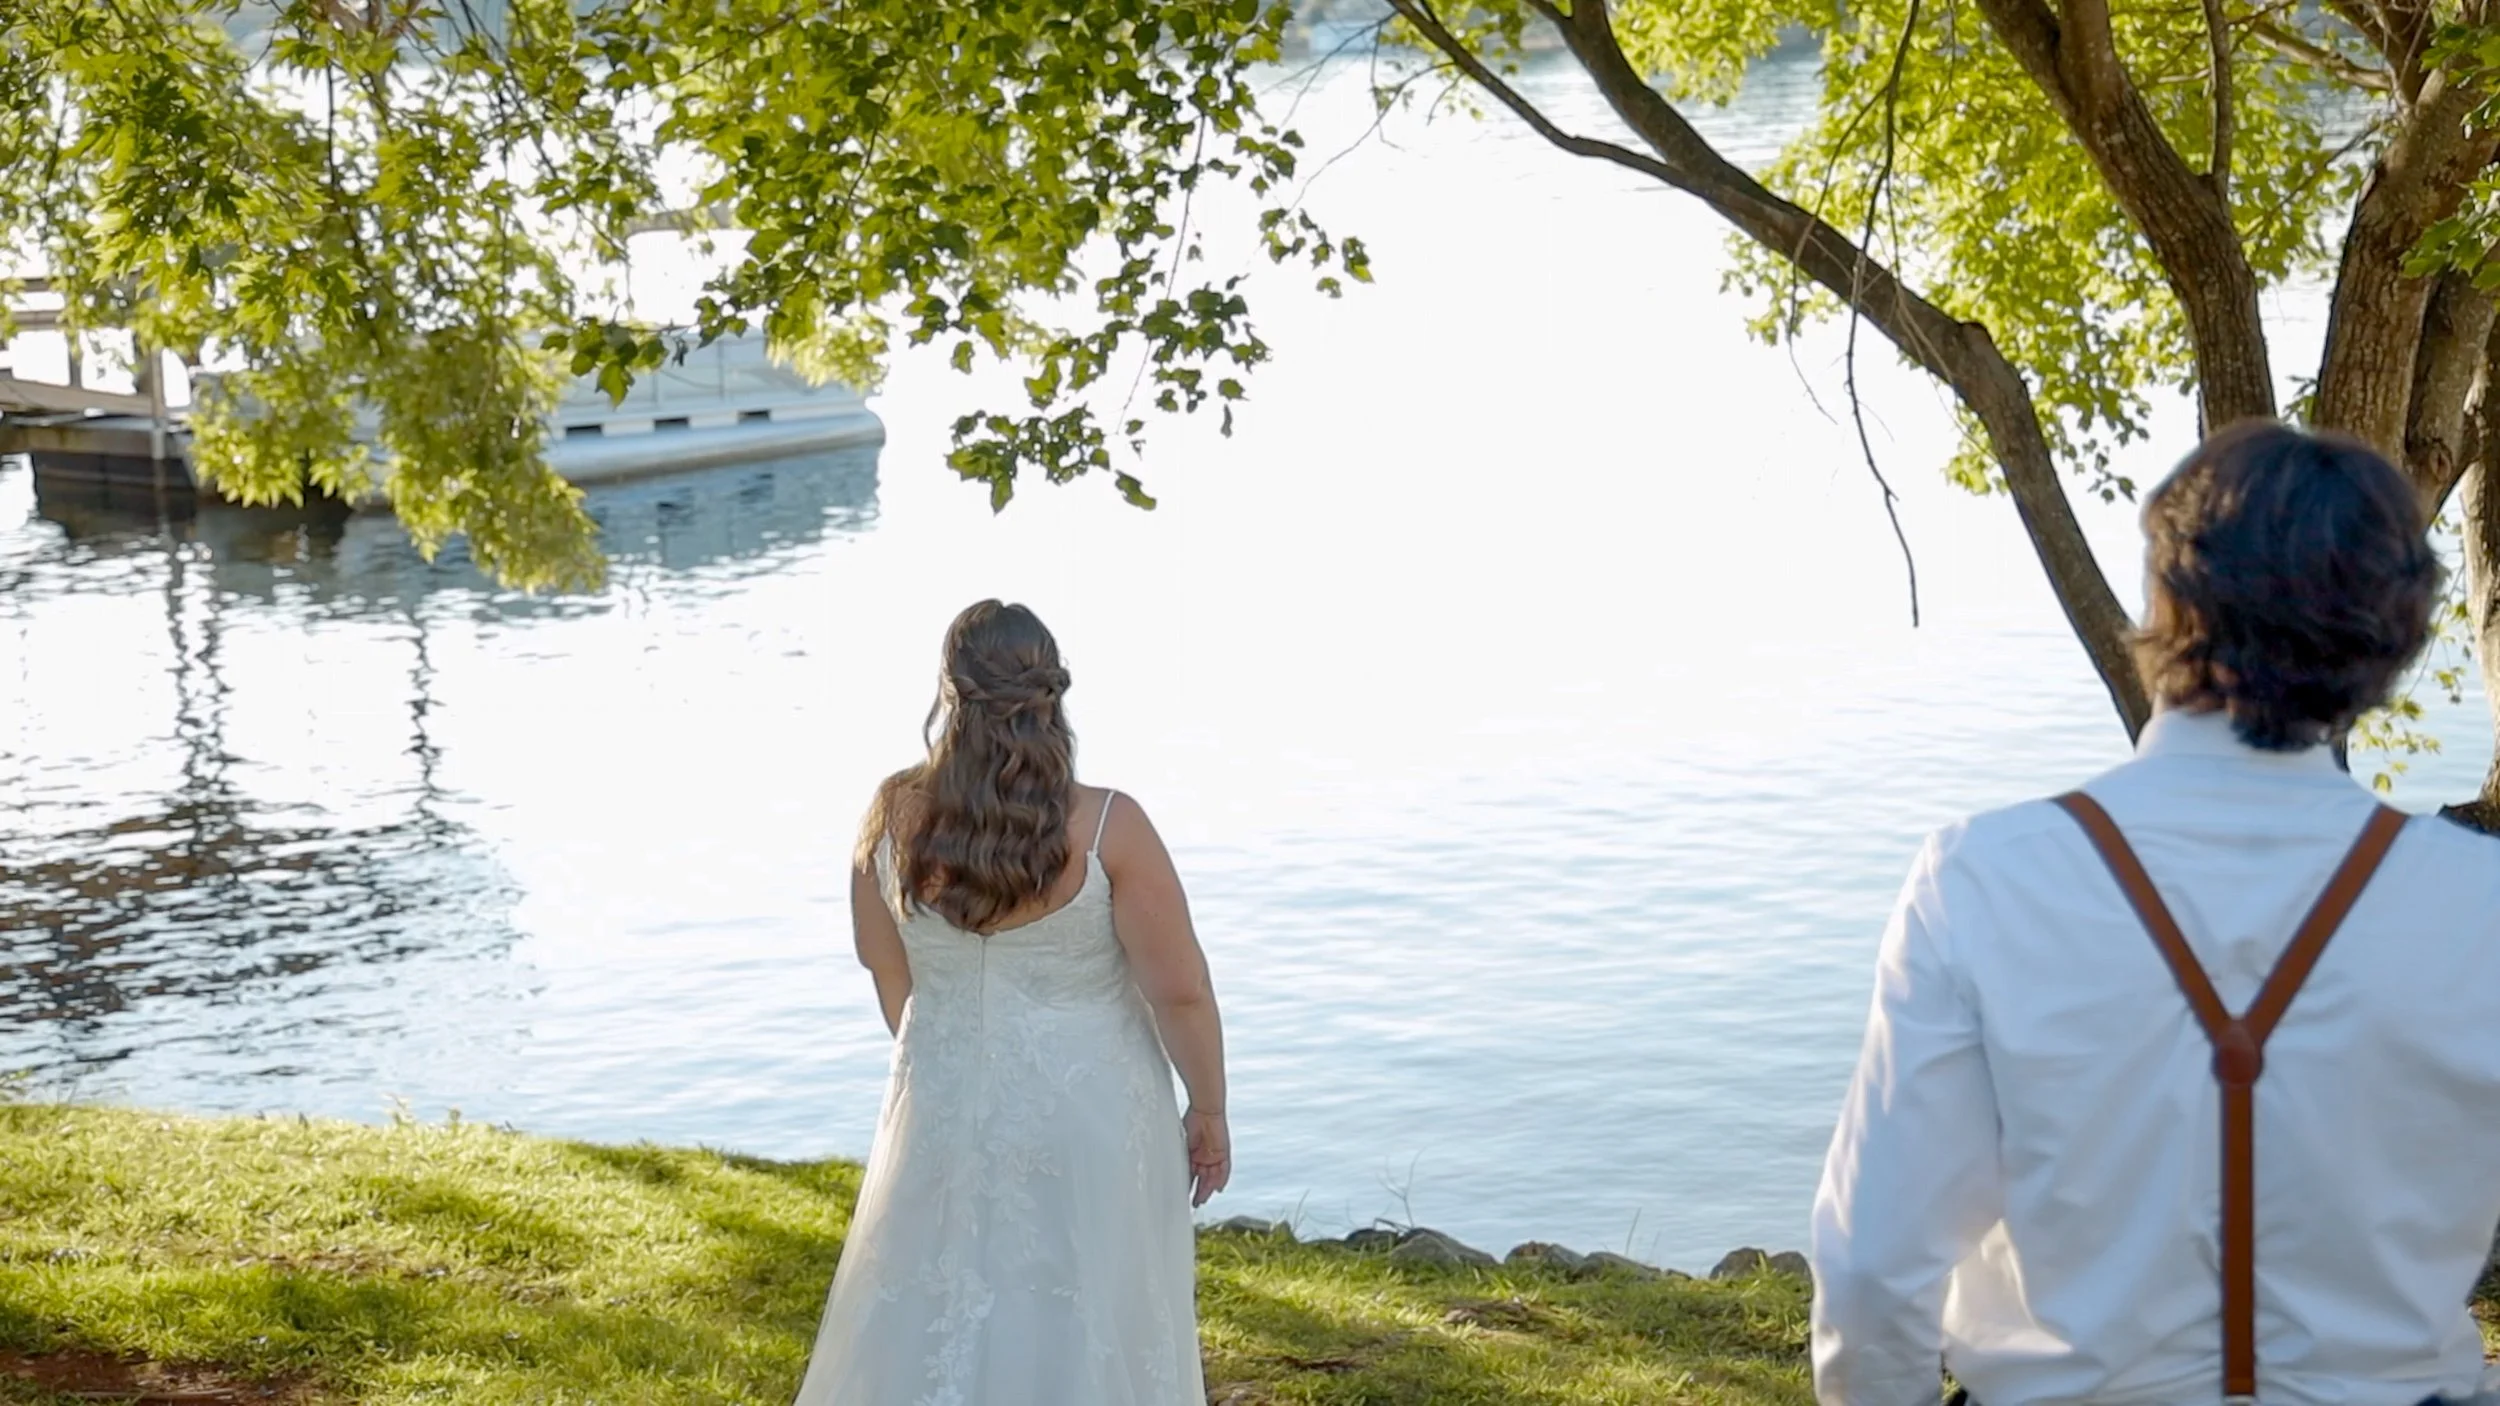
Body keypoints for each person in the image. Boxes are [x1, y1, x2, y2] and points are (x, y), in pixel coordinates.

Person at [1811, 422, 2500, 1406]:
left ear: (2168, 602)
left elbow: (1873, 1262)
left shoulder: (1985, 878)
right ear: (2388, 641)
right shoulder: (2477, 903)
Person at [792, 599, 1230, 1406]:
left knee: (934, 1301)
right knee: (1090, 1307)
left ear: (947, 692)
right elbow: (1182, 989)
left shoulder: (890, 816)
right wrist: (1208, 1108)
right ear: (1052, 693)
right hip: (1093, 1109)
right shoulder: (1108, 827)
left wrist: (948, 1054)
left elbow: (885, 970)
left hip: (942, 1102)